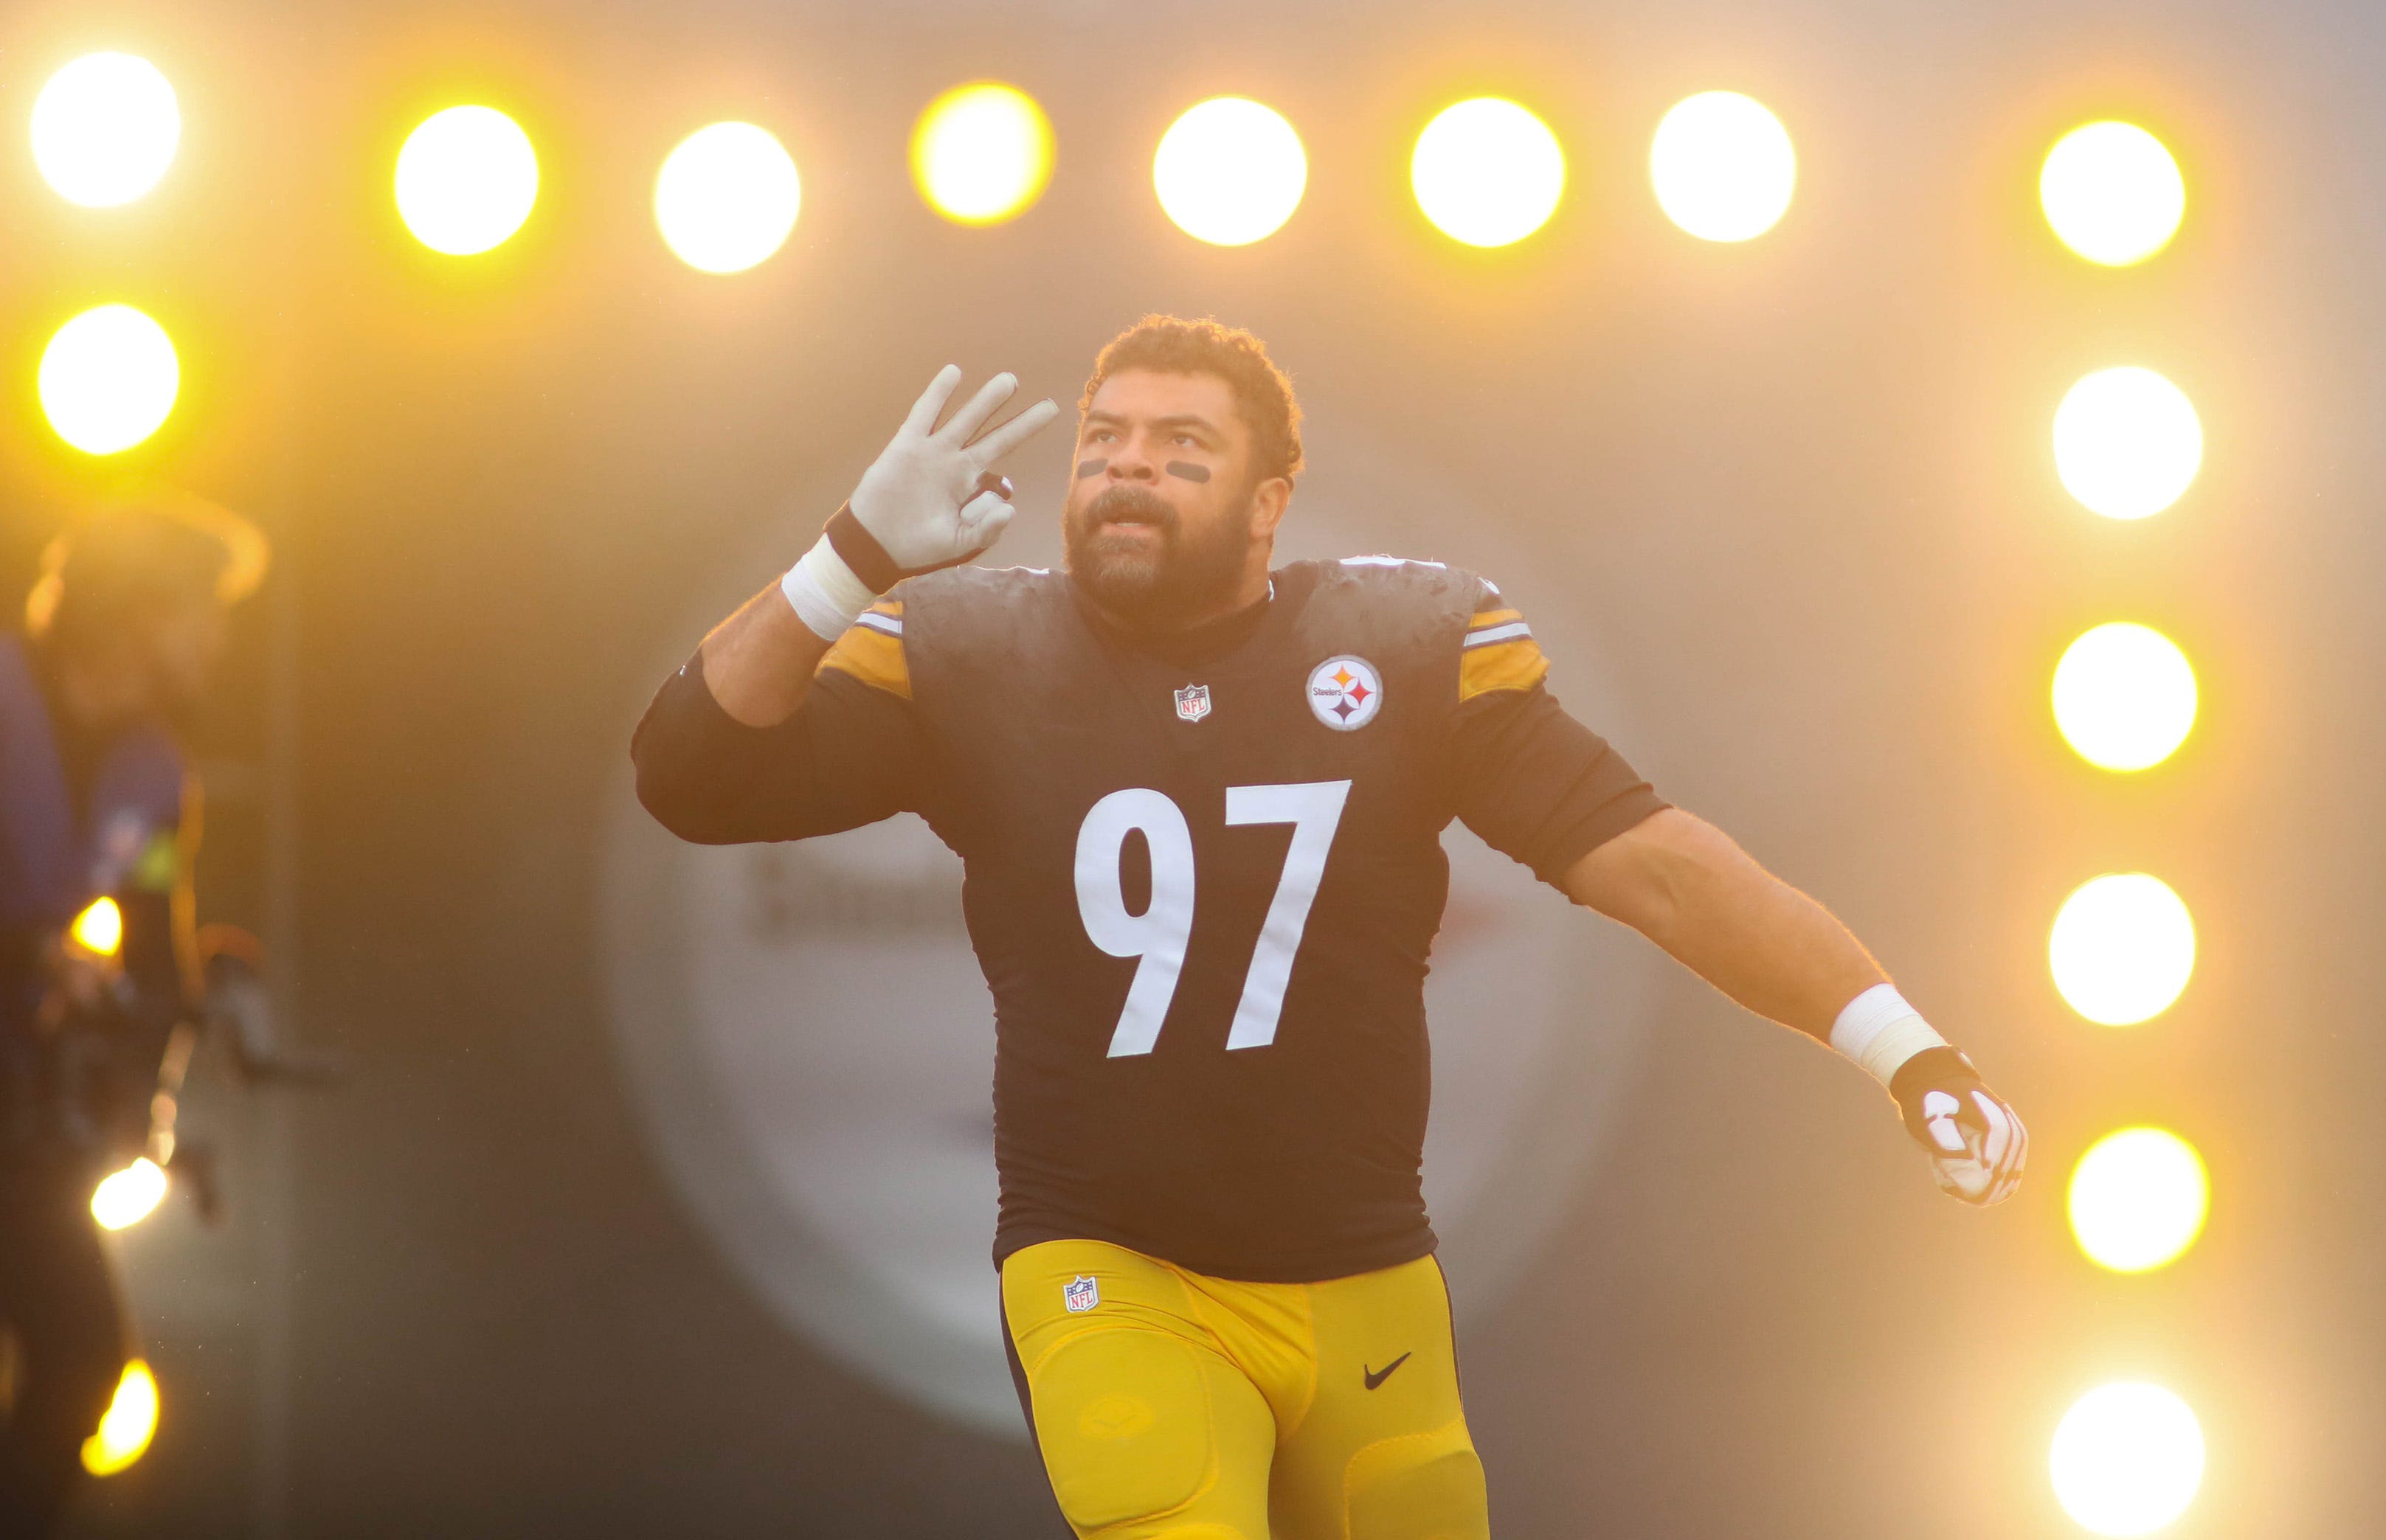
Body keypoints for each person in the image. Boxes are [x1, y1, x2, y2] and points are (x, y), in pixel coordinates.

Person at [632, 316, 2027, 1539]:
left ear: (1268, 502)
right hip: (1113, 1266)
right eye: (1106, 439)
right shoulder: (976, 654)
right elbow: (690, 775)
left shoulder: (1403, 649)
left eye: (1183, 446)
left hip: (1368, 1279)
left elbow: (1652, 864)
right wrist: (848, 556)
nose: (1128, 466)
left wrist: (1902, 1048)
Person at [0, 493, 265, 1534]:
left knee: (80, 1370)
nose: (217, 640)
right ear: (138, 615)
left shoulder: (156, 773)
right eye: (201, 611)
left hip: (22, 1110)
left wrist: (142, 1103)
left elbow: (157, 947)